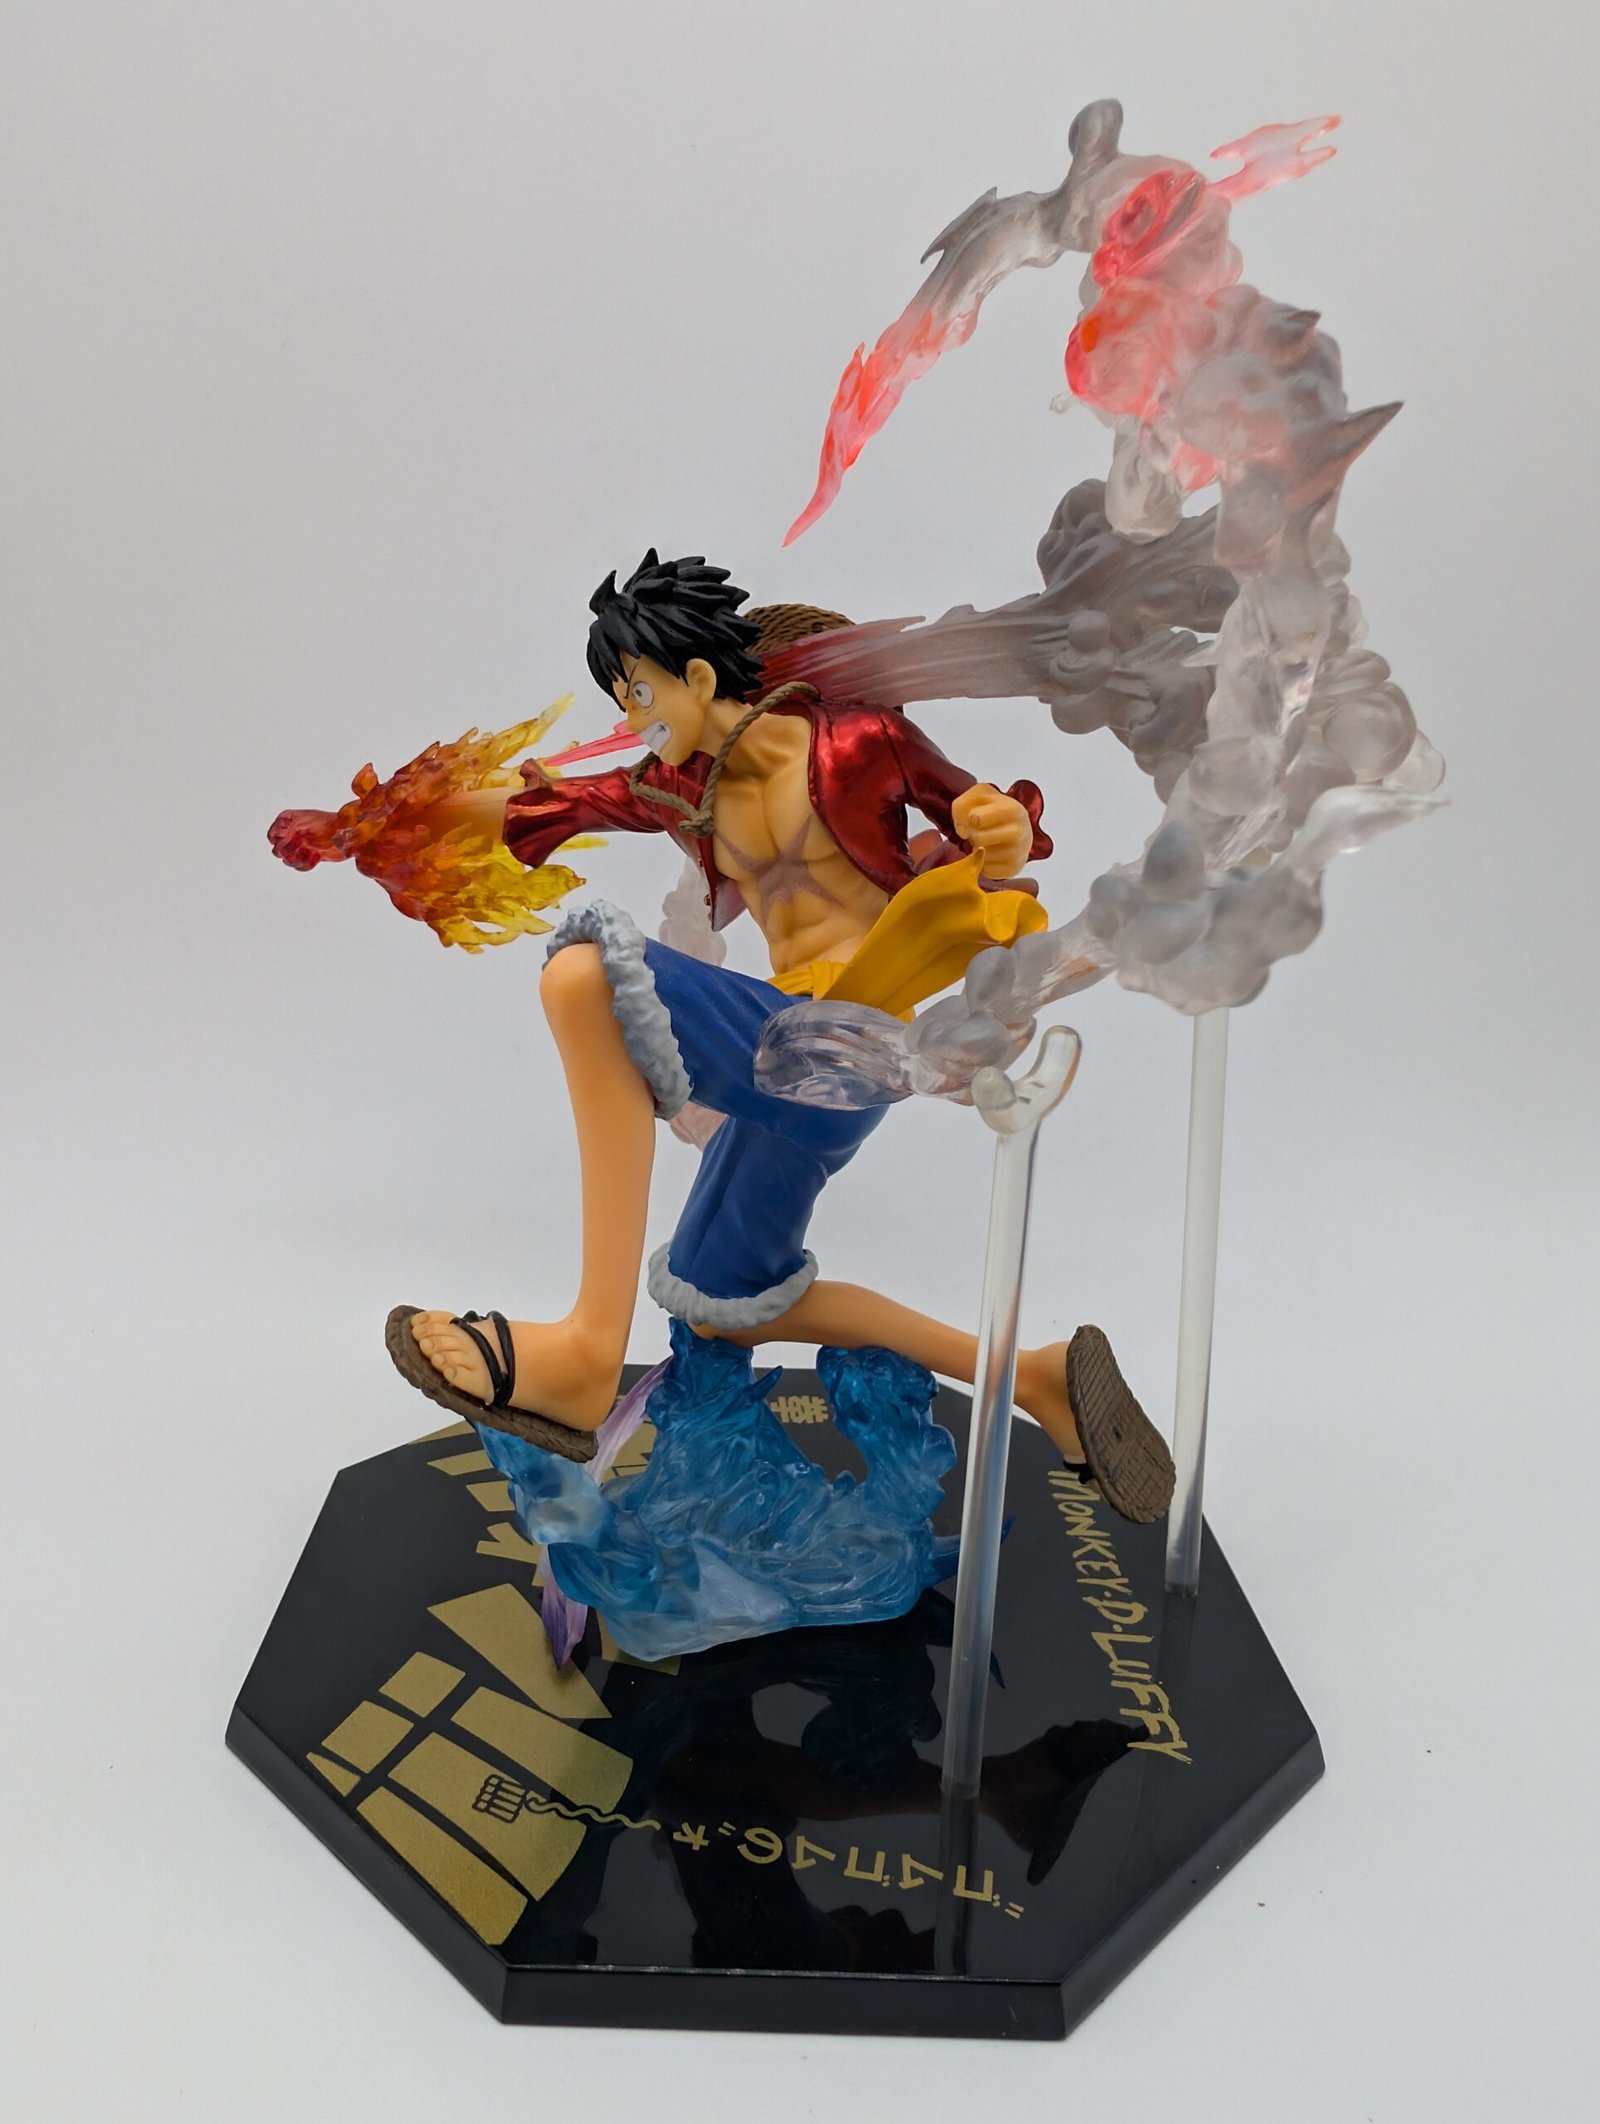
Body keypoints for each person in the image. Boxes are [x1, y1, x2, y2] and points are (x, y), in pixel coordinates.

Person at [386, 551, 1174, 1524]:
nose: (630, 719)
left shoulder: (860, 741)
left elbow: (988, 824)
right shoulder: (682, 788)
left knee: (586, 974)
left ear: (698, 675)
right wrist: (403, 819)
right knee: (721, 1301)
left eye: (638, 692)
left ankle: (587, 1350)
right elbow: (547, 805)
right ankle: (1035, 1377)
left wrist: (998, 828)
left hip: (853, 1036)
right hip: (791, 1060)